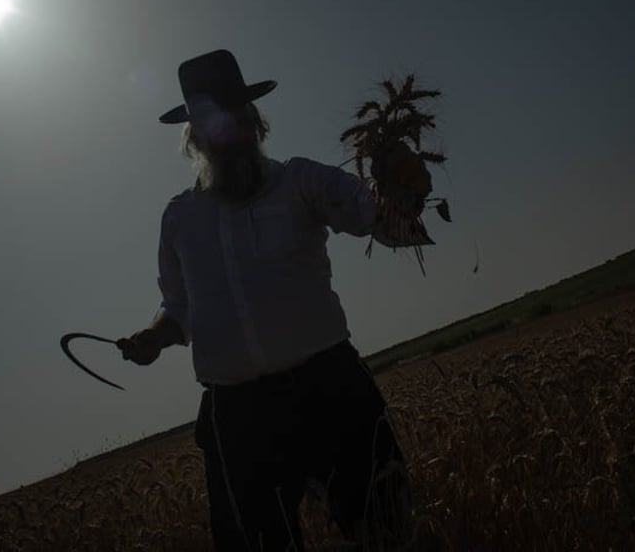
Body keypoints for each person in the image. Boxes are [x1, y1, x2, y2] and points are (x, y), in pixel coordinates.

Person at [118, 49, 431, 551]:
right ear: (194, 137)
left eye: (238, 116)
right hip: (238, 416)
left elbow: (375, 215)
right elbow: (178, 307)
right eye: (214, 121)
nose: (229, 130)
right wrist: (154, 336)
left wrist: (403, 191)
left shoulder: (301, 182)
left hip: (332, 391)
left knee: (391, 534)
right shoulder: (179, 220)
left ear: (256, 122)